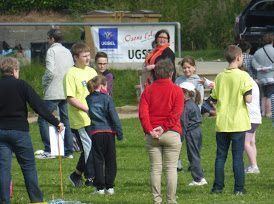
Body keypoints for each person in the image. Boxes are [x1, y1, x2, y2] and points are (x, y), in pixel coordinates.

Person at [0, 57, 64, 203]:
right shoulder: (21, 85)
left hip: (1, 132)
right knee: (28, 166)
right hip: (20, 132)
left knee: (3, 169)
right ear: (15, 70)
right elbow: (38, 106)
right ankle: (36, 200)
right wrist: (55, 122)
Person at [139, 59, 184, 204]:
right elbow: (176, 113)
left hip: (153, 134)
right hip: (171, 132)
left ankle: (156, 200)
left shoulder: (148, 90)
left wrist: (149, 129)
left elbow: (143, 114)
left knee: (155, 169)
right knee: (171, 169)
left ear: (155, 73)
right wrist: (164, 127)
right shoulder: (177, 90)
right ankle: (171, 200)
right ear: (171, 73)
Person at [210, 45, 252, 195]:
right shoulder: (244, 76)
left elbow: (213, 98)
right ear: (239, 58)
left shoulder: (220, 76)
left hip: (222, 123)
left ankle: (217, 187)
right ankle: (239, 189)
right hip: (238, 122)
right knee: (237, 157)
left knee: (220, 156)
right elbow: (248, 99)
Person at [36, 28, 74, 159]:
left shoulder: (51, 50)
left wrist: (44, 83)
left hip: (53, 91)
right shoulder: (67, 51)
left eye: (48, 38)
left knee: (42, 119)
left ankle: (49, 149)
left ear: (52, 39)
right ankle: (69, 151)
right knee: (65, 121)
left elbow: (50, 72)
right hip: (66, 90)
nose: (47, 41)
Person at [64, 42, 97, 187]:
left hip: (95, 116)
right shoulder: (70, 74)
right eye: (84, 56)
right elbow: (71, 99)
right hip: (81, 118)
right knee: (89, 148)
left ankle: (76, 175)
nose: (88, 58)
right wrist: (87, 110)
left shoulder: (92, 71)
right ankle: (91, 179)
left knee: (93, 147)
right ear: (75, 57)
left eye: (89, 55)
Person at [86, 75, 123, 195]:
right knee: (110, 159)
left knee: (98, 160)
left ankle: (100, 188)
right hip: (109, 132)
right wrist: (119, 132)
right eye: (106, 85)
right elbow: (114, 116)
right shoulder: (107, 98)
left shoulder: (88, 98)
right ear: (102, 86)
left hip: (96, 132)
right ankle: (110, 187)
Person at [175, 56, 204, 170]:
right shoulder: (178, 80)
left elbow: (199, 100)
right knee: (178, 139)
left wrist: (196, 114)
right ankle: (177, 163)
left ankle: (193, 164)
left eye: (189, 67)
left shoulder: (198, 81)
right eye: (184, 68)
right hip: (179, 115)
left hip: (191, 116)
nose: (187, 70)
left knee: (192, 141)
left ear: (194, 68)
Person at [179, 82, 207, 186]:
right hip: (197, 131)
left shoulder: (186, 106)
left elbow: (183, 123)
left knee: (193, 155)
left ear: (185, 92)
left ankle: (198, 179)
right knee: (196, 153)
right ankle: (200, 176)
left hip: (191, 132)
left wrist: (180, 138)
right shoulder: (193, 103)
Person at [239, 67, 262, 174]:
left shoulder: (246, 83)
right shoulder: (253, 82)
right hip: (256, 117)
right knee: (252, 141)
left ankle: (254, 166)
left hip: (250, 117)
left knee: (245, 143)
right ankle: (252, 165)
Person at [252, 33, 274, 118]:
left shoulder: (257, 52)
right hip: (271, 77)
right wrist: (269, 68)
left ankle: (263, 112)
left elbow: (254, 64)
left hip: (260, 78)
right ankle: (268, 113)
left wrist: (261, 68)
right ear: (272, 41)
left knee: (263, 95)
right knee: (269, 95)